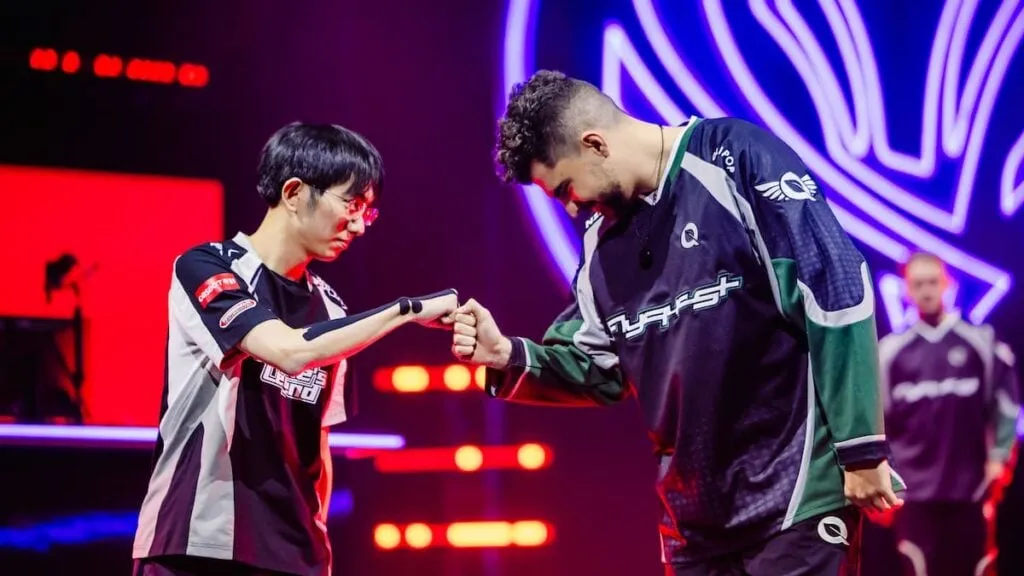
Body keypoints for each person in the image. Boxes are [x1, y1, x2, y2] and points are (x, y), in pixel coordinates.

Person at [451, 70, 905, 575]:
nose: (573, 208)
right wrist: (505, 354)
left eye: (565, 189)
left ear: (594, 144)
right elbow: (596, 365)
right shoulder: (600, 245)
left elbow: (832, 284)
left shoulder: (731, 157)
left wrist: (861, 449)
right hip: (693, 530)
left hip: (795, 499)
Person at [132, 122, 458, 576]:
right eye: (352, 204)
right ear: (293, 192)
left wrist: (319, 550)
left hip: (296, 557)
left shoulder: (332, 309)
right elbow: (286, 351)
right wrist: (407, 311)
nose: (359, 226)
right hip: (197, 543)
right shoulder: (206, 266)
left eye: (368, 213)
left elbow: (318, 445)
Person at [878, 252, 1019, 576]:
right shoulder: (889, 352)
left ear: (948, 285)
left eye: (933, 282)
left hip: (972, 486)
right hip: (914, 491)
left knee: (978, 567)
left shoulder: (981, 342)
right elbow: (879, 421)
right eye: (918, 284)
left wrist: (1000, 457)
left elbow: (1006, 404)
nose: (926, 291)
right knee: (916, 566)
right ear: (906, 291)